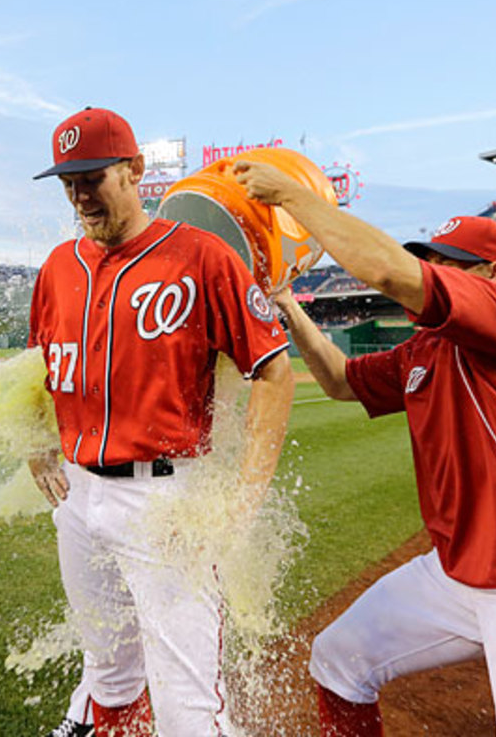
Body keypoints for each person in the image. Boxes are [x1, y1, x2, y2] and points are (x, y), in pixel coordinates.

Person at [233, 162, 496, 737]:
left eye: (450, 263)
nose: (434, 270)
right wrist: (285, 299)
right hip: (459, 574)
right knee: (338, 660)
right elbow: (338, 380)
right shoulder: (424, 351)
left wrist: (289, 196)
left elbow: (386, 270)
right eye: (431, 259)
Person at [28, 108, 295, 737]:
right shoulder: (56, 268)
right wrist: (36, 442)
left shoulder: (200, 256)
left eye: (92, 177)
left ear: (136, 170)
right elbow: (37, 369)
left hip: (164, 497)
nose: (79, 194)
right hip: (77, 496)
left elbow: (274, 374)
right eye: (68, 181)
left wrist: (243, 502)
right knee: (109, 680)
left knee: (186, 708)